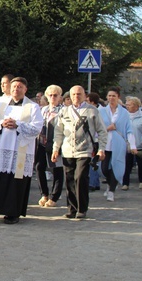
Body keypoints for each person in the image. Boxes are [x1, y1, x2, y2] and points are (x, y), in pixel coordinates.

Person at [0, 77, 42, 224]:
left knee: (17, 179)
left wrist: (18, 124)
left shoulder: (33, 106)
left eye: (20, 87)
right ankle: (0, 208)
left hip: (21, 149)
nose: (16, 89)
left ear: (25, 89)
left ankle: (14, 212)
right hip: (3, 146)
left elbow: (37, 127)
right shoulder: (0, 102)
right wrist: (2, 122)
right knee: (3, 177)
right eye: (14, 86)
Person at [52, 86, 107, 220]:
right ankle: (72, 208)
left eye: (79, 94)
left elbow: (101, 131)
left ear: (84, 95)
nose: (76, 96)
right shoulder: (64, 111)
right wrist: (56, 148)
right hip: (68, 150)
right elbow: (59, 131)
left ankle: (82, 208)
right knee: (69, 179)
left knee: (80, 177)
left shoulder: (92, 111)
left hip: (85, 150)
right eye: (74, 94)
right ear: (70, 96)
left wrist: (101, 148)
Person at [98, 87, 136, 202]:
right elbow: (97, 128)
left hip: (118, 144)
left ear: (118, 97)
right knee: (104, 168)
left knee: (116, 166)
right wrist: (108, 128)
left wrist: (132, 145)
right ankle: (110, 183)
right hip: (105, 143)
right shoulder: (101, 111)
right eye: (109, 96)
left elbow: (129, 129)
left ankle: (111, 191)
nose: (111, 98)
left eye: (113, 96)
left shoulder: (124, 112)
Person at [36, 85, 64, 208]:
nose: (52, 97)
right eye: (50, 95)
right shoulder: (43, 110)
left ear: (60, 97)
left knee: (57, 169)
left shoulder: (63, 110)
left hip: (55, 143)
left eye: (55, 95)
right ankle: (44, 194)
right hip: (42, 143)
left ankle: (54, 196)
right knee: (39, 167)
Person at [124, 96, 142, 191]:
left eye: (129, 105)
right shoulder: (124, 116)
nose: (127, 106)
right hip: (127, 145)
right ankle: (125, 183)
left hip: (140, 144)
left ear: (135, 106)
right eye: (126, 104)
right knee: (127, 164)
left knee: (141, 164)